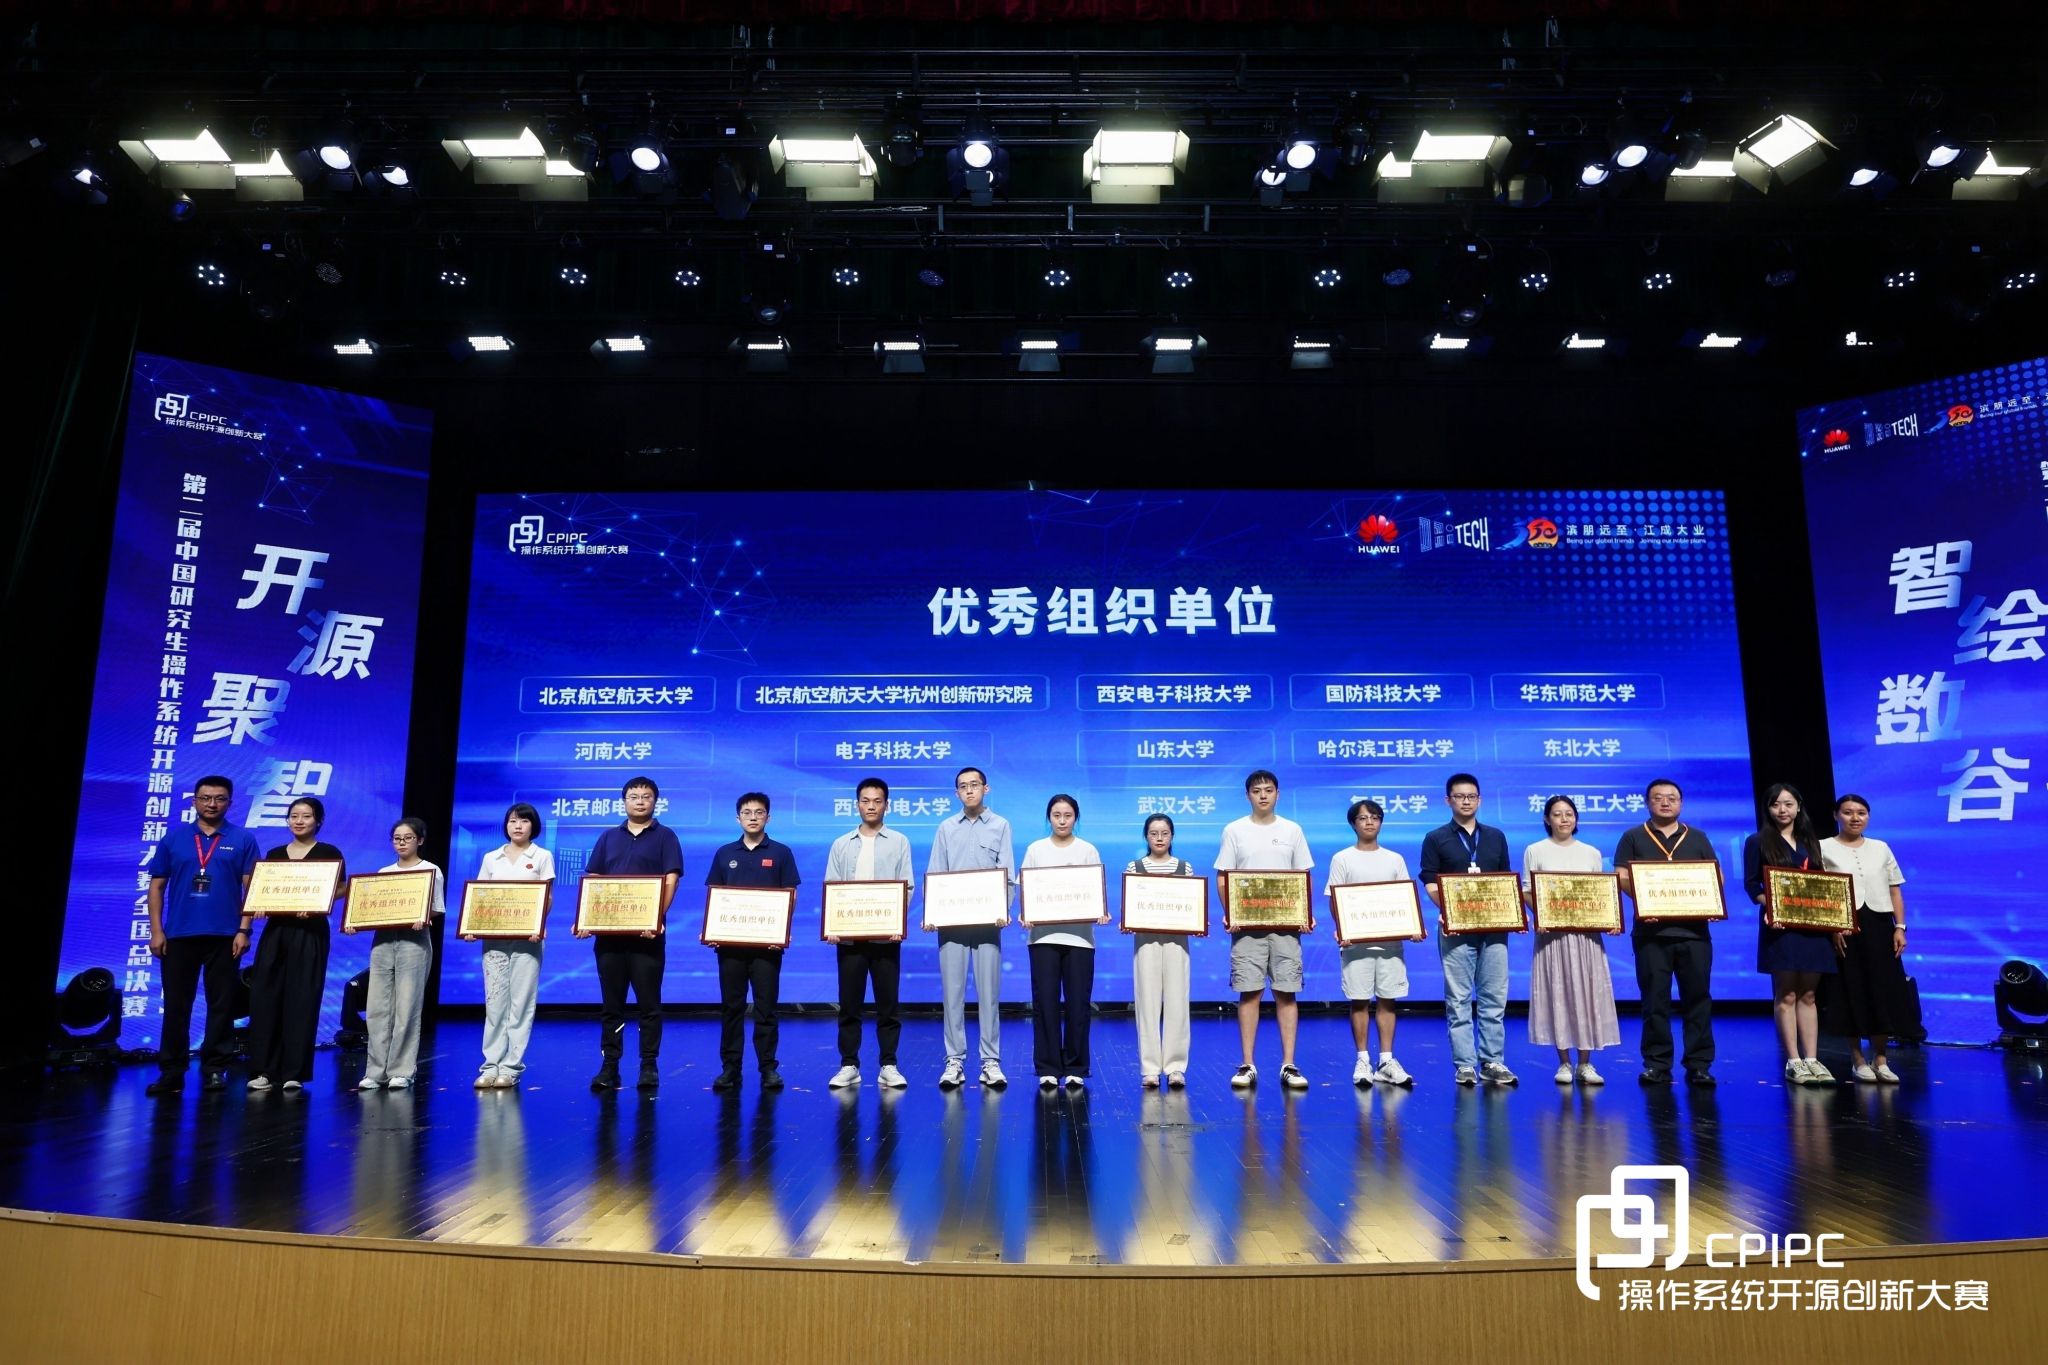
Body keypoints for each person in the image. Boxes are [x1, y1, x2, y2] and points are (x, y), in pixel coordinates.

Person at [144, 776, 261, 1096]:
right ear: (194, 800)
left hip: (226, 936)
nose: (212, 804)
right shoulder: (174, 838)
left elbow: (252, 889)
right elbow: (156, 887)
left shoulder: (242, 839)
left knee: (222, 1005)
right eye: (205, 798)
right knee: (176, 1005)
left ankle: (215, 1069)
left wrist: (244, 929)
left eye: (220, 799)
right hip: (179, 935)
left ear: (229, 803)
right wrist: (157, 930)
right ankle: (172, 1072)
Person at [1614, 778, 1722, 1086]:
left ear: (1681, 803)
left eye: (1672, 798)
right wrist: (1647, 901)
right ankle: (1657, 1063)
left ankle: (1699, 1064)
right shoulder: (1633, 836)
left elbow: (1716, 876)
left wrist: (1710, 901)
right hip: (1651, 934)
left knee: (1698, 999)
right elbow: (1621, 875)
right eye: (1658, 797)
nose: (1665, 802)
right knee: (1654, 1001)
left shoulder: (1697, 837)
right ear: (1647, 802)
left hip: (1694, 934)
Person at [579, 775, 683, 1092]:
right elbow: (594, 879)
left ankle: (648, 1066)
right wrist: (586, 918)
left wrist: (656, 918)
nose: (640, 801)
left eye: (646, 796)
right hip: (609, 938)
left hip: (647, 938)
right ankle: (609, 1066)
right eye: (634, 796)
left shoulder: (665, 836)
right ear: (624, 801)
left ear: (655, 802)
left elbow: (671, 879)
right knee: (612, 1005)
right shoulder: (608, 837)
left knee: (649, 1005)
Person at [1214, 769, 1315, 1091]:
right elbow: (1223, 877)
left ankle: (1289, 1064)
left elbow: (1303, 876)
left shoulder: (1292, 830)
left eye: (1268, 790)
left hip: (1286, 926)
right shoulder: (1234, 830)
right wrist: (1231, 913)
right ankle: (1247, 1064)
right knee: (1249, 992)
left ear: (1277, 794)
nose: (1263, 795)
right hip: (1247, 927)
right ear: (1248, 795)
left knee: (1287, 991)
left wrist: (1305, 914)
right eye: (1256, 790)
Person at [1419, 773, 1518, 1087]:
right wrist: (1452, 911)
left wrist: (1513, 915)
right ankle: (1464, 1064)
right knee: (1459, 999)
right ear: (1448, 800)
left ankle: (1492, 1061)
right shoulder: (1436, 838)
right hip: (1456, 929)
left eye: (1471, 796)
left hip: (1494, 928)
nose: (1466, 801)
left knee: (1494, 997)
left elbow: (1505, 881)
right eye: (1459, 796)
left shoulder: (1496, 837)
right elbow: (1430, 883)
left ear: (1479, 800)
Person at [704, 791, 802, 1093]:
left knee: (766, 1008)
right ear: (738, 818)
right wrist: (711, 929)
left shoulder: (781, 852)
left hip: (767, 947)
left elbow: (791, 895)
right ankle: (730, 1068)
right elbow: (714, 895)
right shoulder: (724, 853)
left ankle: (768, 1068)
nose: (753, 817)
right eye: (747, 813)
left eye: (759, 812)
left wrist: (781, 930)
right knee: (731, 1008)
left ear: (768, 817)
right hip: (730, 947)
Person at [1520, 796, 1620, 1086]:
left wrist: (1610, 920)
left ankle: (1585, 1064)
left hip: (1586, 936)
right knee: (1558, 993)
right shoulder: (1535, 850)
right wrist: (1542, 915)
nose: (1564, 819)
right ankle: (1564, 1062)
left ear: (1576, 818)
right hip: (1552, 936)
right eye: (1557, 814)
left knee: (1587, 994)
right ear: (1546, 819)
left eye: (1569, 814)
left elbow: (1601, 893)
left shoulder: (1591, 853)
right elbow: (1527, 890)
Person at [926, 766, 1015, 1090]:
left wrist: (1004, 910)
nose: (969, 790)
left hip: (988, 922)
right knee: (953, 995)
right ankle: (954, 1060)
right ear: (956, 793)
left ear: (985, 789)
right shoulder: (946, 828)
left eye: (974, 785)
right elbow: (936, 874)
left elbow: (1007, 874)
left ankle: (990, 1061)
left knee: (989, 995)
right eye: (963, 786)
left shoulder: (1001, 825)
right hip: (952, 924)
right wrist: (932, 913)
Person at [1745, 783, 1839, 1086]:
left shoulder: (1812, 842)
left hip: (1813, 926)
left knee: (1809, 995)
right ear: (1768, 809)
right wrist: (1771, 907)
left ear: (1798, 807)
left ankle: (1812, 1059)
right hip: (1780, 927)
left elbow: (1825, 885)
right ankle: (1793, 1061)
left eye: (1788, 804)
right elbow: (1752, 885)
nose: (1782, 810)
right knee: (1786, 993)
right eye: (1775, 804)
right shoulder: (1757, 841)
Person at [246, 796, 342, 1093]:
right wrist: (259, 903)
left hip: (310, 932)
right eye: (294, 816)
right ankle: (264, 1070)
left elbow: (342, 886)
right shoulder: (275, 854)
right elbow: (262, 888)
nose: (299, 821)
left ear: (318, 821)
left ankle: (294, 1072)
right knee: (265, 997)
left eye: (306, 816)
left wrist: (317, 904)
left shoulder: (328, 852)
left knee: (302, 998)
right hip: (276, 931)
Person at [824, 777, 913, 1091]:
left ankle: (889, 1064)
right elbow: (832, 887)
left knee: (888, 1005)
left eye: (877, 801)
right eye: (865, 800)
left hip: (885, 938)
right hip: (849, 939)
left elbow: (907, 886)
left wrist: (897, 923)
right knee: (849, 1005)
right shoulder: (841, 844)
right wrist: (833, 926)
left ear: (886, 805)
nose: (871, 806)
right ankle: (849, 1065)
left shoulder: (899, 841)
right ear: (857, 804)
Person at [1325, 799, 1420, 1088]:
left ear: (1381, 822)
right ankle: (1363, 1059)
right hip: (1356, 944)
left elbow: (1404, 898)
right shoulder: (1342, 858)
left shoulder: (1394, 859)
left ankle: (1386, 1061)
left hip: (1390, 943)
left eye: (1375, 817)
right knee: (1359, 1000)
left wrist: (1412, 927)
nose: (1369, 822)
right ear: (1353, 824)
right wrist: (1343, 928)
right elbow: (1335, 899)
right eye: (1363, 817)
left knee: (1388, 1000)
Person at [1819, 793, 1913, 1083]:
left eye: (1861, 812)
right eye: (1848, 812)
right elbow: (1819, 892)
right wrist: (1833, 928)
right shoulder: (1822, 848)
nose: (1855, 818)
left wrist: (1900, 927)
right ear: (1836, 815)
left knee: (1883, 988)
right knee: (1850, 989)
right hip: (1845, 926)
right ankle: (1857, 1059)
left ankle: (1881, 1058)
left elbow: (1895, 890)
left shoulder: (1881, 847)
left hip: (1880, 924)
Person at [352, 816, 444, 1091]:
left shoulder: (431, 870)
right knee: (377, 1008)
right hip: (383, 941)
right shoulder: (384, 872)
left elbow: (437, 908)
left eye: (408, 838)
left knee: (407, 1007)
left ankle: (402, 1070)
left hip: (414, 942)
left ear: (420, 840)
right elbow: (372, 907)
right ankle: (375, 1071)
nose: (402, 843)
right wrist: (357, 920)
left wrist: (422, 916)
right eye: (397, 839)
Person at [1022, 794, 1108, 1090]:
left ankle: (1076, 1066)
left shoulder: (1087, 850)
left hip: (1080, 939)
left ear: (1076, 818)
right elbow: (1027, 889)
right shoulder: (1036, 849)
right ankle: (1047, 1066)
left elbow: (1096, 890)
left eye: (1068, 815)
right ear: (1049, 817)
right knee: (1044, 1003)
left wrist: (1100, 910)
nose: (1062, 820)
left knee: (1078, 1004)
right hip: (1043, 937)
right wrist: (1026, 913)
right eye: (1056, 815)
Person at [466, 801, 554, 1090]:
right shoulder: (492, 858)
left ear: (533, 826)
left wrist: (537, 925)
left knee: (521, 1004)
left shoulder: (541, 856)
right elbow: (481, 897)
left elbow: (547, 897)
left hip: (528, 940)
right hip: (494, 939)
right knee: (494, 1004)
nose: (518, 826)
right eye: (513, 821)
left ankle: (511, 1067)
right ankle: (490, 1065)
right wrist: (473, 926)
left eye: (524, 821)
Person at [1124, 814, 1193, 1090]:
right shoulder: (1136, 866)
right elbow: (1131, 902)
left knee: (1177, 1001)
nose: (1159, 838)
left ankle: (1175, 1068)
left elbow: (1191, 903)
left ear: (1172, 836)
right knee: (1147, 1002)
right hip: (1146, 940)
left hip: (1177, 940)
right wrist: (1127, 920)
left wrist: (1197, 921)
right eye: (1154, 833)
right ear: (1146, 836)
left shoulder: (1184, 867)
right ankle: (1150, 1069)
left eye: (1164, 833)